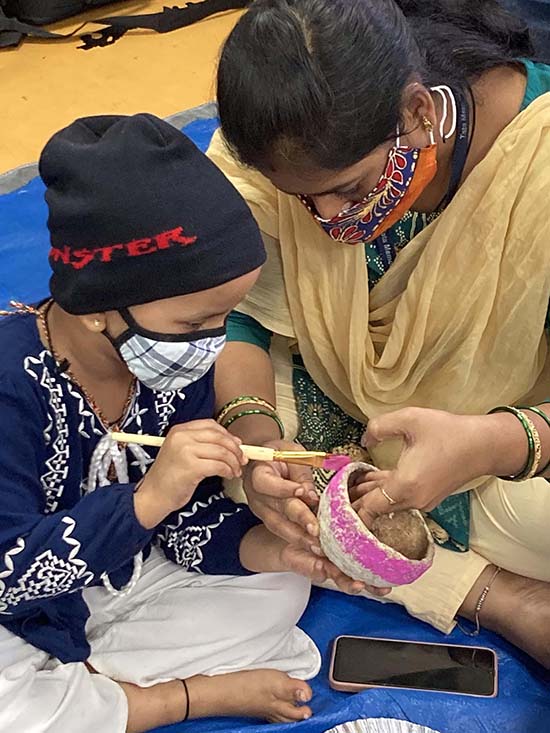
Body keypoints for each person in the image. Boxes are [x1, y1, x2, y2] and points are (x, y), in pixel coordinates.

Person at [207, 0, 550, 667]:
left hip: (511, 424)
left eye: (349, 187)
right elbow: (238, 313)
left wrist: (490, 441)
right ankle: (489, 593)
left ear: (420, 112)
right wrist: (258, 449)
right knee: (208, 448)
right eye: (301, 198)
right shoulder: (272, 133)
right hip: (323, 386)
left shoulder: (539, 162)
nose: (327, 219)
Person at [0, 113, 365, 733]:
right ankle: (177, 698)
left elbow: (186, 523)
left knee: (279, 589)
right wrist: (147, 499)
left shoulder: (170, 367)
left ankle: (86, 693)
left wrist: (273, 549)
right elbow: (8, 573)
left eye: (224, 320)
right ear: (93, 309)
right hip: (19, 597)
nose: (211, 345)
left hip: (113, 576)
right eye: (194, 325)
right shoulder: (11, 389)